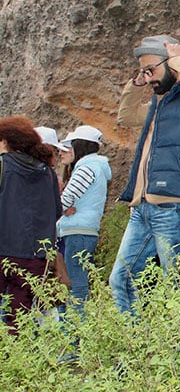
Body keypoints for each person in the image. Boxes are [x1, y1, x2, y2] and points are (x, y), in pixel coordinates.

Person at [111, 35, 180, 315]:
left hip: (174, 206)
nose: (149, 77)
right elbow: (125, 116)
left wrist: (177, 57)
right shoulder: (156, 107)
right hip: (141, 208)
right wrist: (136, 84)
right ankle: (137, 351)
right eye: (144, 72)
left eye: (152, 70)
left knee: (176, 286)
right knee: (121, 279)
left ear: (171, 64)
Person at [0, 116, 62, 333]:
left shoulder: (3, 165)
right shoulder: (47, 172)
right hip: (36, 256)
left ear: (6, 141)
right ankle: (20, 362)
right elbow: (56, 210)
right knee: (18, 319)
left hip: (4, 250)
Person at [56, 126, 112, 315]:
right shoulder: (95, 167)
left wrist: (60, 208)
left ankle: (75, 335)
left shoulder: (87, 168)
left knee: (75, 285)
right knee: (77, 282)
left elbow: (65, 200)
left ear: (80, 146)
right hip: (83, 231)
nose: (68, 150)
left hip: (77, 231)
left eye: (71, 145)